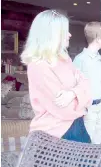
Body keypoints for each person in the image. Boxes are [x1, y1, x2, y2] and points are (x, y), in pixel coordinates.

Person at [21, 9, 92, 143]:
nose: (70, 35)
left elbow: (86, 83)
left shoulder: (64, 59)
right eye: (65, 31)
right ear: (51, 34)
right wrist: (82, 98)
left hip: (77, 126)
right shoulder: (39, 66)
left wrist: (72, 93)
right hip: (56, 133)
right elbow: (65, 109)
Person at [73, 22, 101, 144]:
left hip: (100, 106)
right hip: (88, 108)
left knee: (97, 141)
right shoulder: (80, 59)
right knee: (87, 144)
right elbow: (74, 85)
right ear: (98, 39)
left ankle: (97, 163)